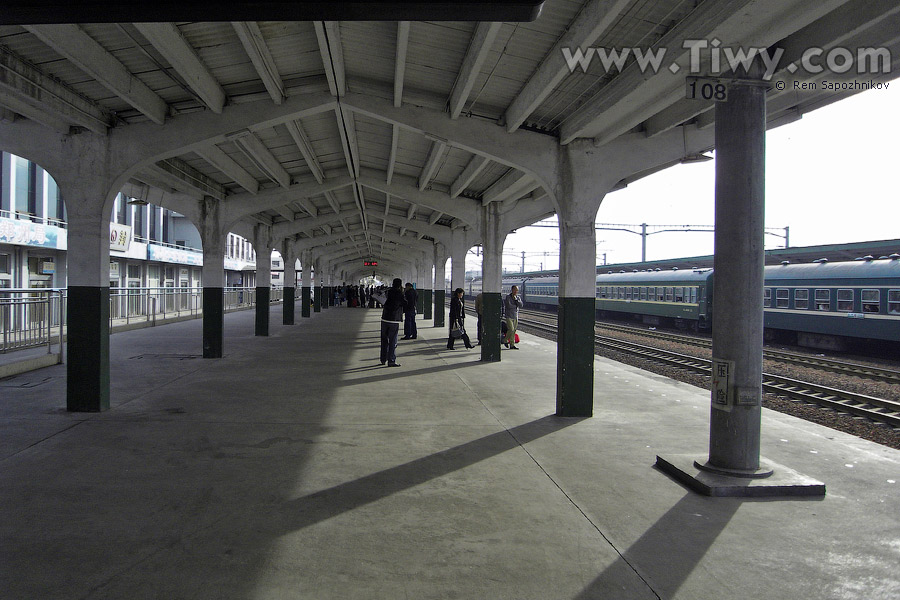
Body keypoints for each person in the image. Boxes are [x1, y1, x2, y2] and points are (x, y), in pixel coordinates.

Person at [380, 278, 408, 367]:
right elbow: (405, 303)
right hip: (393, 319)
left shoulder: (388, 292)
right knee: (392, 341)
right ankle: (391, 360)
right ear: (400, 285)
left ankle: (383, 359)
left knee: (384, 340)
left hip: (384, 318)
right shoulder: (399, 293)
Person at [503, 285, 523, 349]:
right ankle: (505, 340)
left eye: (517, 290)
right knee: (511, 329)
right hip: (509, 316)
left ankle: (512, 344)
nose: (516, 291)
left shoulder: (518, 297)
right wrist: (516, 306)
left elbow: (521, 305)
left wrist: (516, 301)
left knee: (514, 330)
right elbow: (509, 306)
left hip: (515, 315)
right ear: (512, 290)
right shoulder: (508, 297)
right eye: (515, 290)